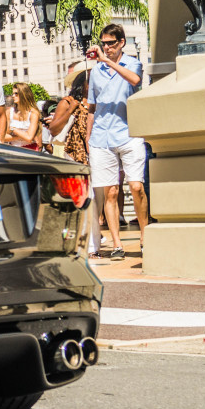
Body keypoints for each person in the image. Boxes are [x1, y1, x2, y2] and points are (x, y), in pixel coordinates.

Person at [85, 23, 149, 258]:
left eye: (111, 43)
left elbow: (134, 80)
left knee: (136, 187)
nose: (106, 47)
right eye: (103, 43)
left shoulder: (132, 62)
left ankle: (144, 236)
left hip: (129, 133)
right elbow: (92, 107)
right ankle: (117, 244)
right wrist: (88, 137)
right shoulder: (95, 73)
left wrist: (107, 61)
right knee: (110, 192)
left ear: (121, 42)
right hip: (101, 137)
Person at [49, 68, 102, 257]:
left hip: (95, 155)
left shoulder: (97, 103)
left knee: (93, 201)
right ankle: (73, 243)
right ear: (84, 84)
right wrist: (71, 110)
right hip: (72, 158)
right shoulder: (68, 102)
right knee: (77, 201)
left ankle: (93, 246)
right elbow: (53, 129)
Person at [3, 82, 43, 150]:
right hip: (13, 149)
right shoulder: (9, 112)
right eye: (13, 93)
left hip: (30, 149)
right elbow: (4, 137)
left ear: (24, 94)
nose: (13, 96)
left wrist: (13, 130)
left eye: (16, 93)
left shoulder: (33, 113)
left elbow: (29, 138)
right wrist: (22, 135)